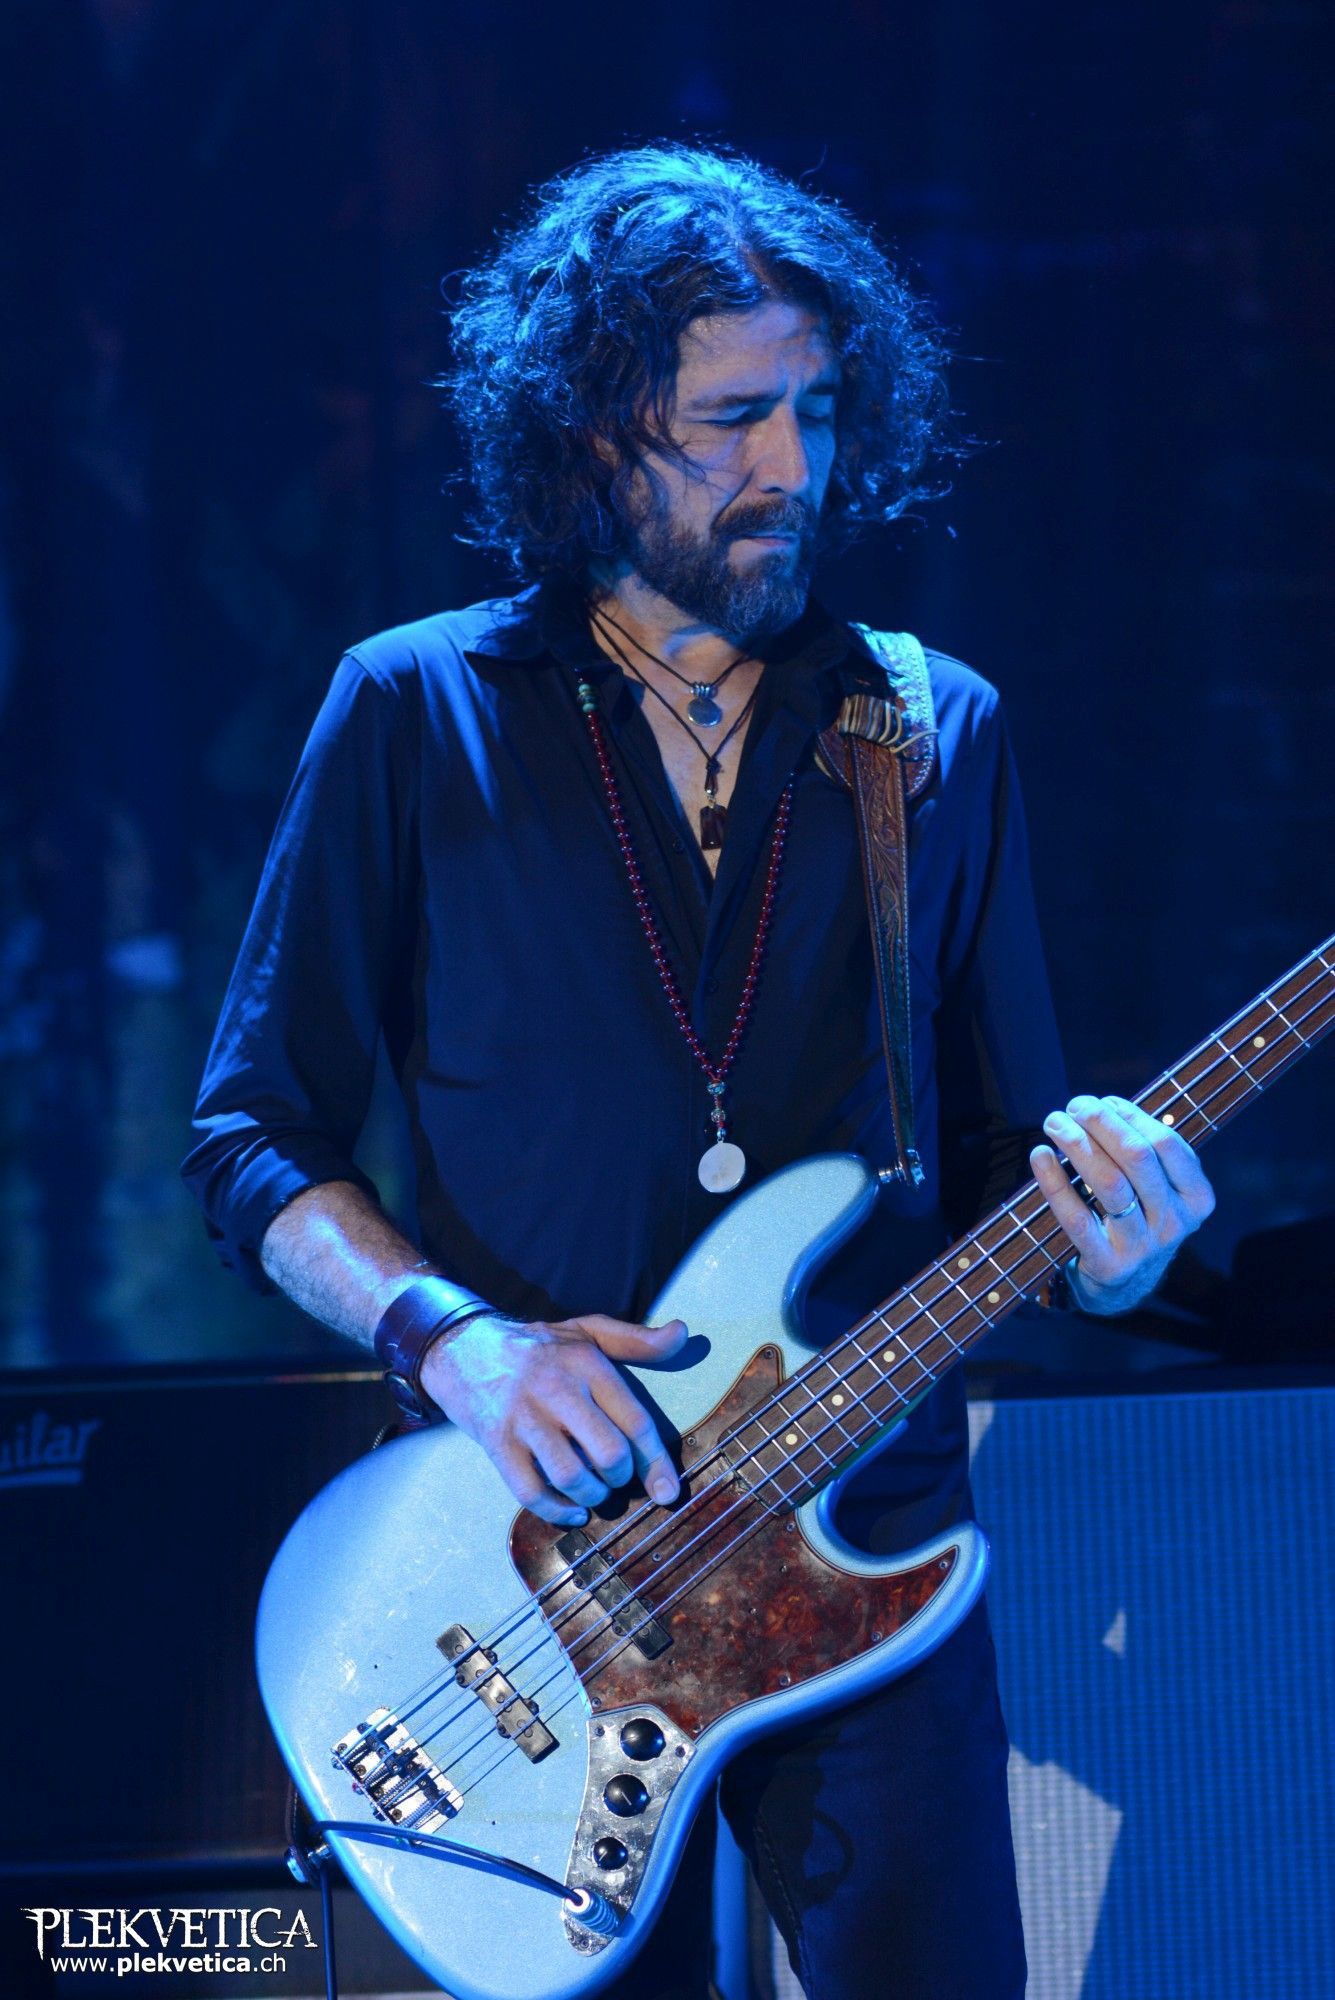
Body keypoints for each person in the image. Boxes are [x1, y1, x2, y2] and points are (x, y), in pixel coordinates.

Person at [182, 143, 1215, 2000]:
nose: (792, 467)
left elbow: (1009, 1159)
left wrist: (1118, 1253)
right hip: (529, 1563)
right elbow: (252, 1137)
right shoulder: (415, 710)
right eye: (732, 419)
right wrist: (459, 1343)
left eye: (817, 410)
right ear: (592, 432)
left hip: (864, 1542)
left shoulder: (927, 724)